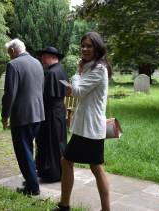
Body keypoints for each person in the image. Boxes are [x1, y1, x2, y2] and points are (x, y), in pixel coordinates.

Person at [54, 32, 112, 211]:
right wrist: (76, 83)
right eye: (83, 45)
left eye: (89, 46)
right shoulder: (90, 67)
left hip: (90, 127)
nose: (85, 49)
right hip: (85, 126)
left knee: (89, 165)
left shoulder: (99, 69)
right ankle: (65, 204)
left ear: (97, 48)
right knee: (87, 164)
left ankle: (67, 205)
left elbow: (79, 91)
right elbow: (80, 91)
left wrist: (77, 75)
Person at [1, 38, 45, 196]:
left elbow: (9, 94)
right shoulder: (37, 63)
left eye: (9, 53)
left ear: (13, 51)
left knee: (23, 151)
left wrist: (5, 116)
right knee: (29, 150)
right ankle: (30, 180)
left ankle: (33, 188)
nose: (9, 56)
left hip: (22, 116)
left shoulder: (13, 65)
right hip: (38, 114)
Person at [35, 46, 68, 183]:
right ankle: (61, 172)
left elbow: (45, 97)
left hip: (50, 113)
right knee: (58, 141)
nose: (42, 59)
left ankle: (51, 174)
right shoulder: (61, 70)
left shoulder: (50, 73)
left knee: (49, 142)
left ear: (52, 57)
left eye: (43, 56)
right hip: (59, 111)